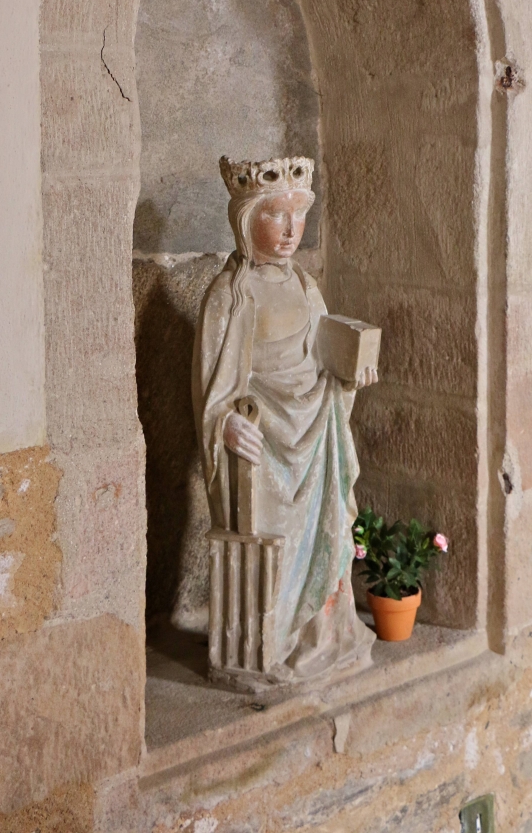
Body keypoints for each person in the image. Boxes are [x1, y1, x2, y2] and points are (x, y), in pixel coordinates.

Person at [192, 155, 377, 682]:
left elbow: (322, 360)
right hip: (263, 448)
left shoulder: (305, 287)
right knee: (273, 545)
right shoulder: (230, 295)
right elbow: (213, 388)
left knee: (325, 534)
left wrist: (348, 377)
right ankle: (269, 643)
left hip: (315, 437)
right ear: (248, 221)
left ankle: (321, 632)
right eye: (277, 215)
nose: (292, 229)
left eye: (299, 216)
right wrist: (225, 423)